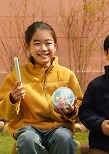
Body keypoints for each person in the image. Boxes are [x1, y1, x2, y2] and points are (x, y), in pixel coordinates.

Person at [0, 21, 83, 154]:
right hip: (27, 128)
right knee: (28, 139)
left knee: (63, 138)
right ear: (27, 46)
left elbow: (79, 103)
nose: (43, 48)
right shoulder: (16, 76)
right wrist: (12, 99)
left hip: (59, 127)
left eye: (48, 43)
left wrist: (71, 111)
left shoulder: (67, 75)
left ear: (55, 46)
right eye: (37, 43)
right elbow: (4, 113)